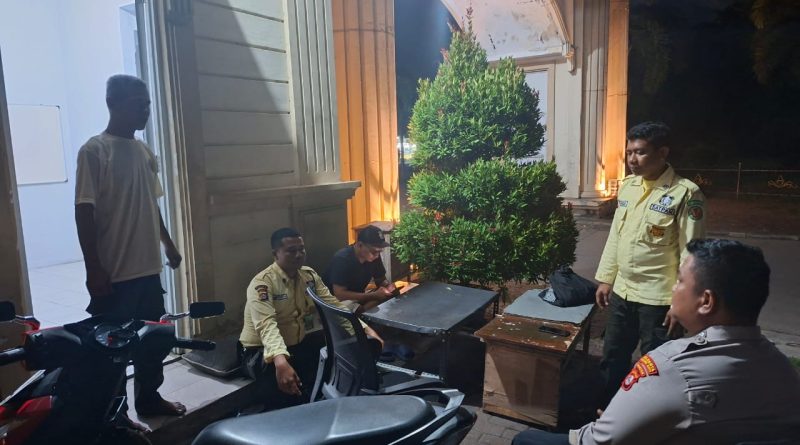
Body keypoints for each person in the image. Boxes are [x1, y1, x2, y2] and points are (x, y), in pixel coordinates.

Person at [514, 239, 800, 445]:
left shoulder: (672, 365)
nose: (673, 288)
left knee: (526, 439)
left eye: (680, 281)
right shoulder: (782, 368)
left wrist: (607, 423)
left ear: (706, 301)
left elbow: (601, 440)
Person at [74, 74, 185, 418]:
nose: (146, 110)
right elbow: (84, 211)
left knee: (154, 341)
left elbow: (151, 203)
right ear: (113, 104)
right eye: (139, 104)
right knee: (113, 351)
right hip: (115, 275)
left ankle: (149, 399)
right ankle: (115, 416)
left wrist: (168, 244)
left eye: (148, 104)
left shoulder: (143, 151)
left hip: (148, 270)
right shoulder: (95, 151)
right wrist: (93, 268)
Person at [594, 122, 706, 406]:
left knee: (656, 367)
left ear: (663, 152)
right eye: (629, 152)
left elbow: (691, 254)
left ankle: (648, 420)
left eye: (641, 152)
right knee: (612, 356)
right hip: (623, 293)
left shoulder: (685, 193)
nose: (632, 159)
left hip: (658, 300)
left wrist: (680, 304)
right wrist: (607, 278)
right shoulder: (628, 187)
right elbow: (616, 236)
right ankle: (607, 412)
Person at [239, 227, 384, 409]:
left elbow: (334, 306)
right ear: (275, 254)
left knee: (331, 362)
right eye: (291, 250)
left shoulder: (308, 276)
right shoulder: (262, 284)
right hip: (260, 352)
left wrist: (364, 330)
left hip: (295, 345)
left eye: (301, 249)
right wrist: (280, 361)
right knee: (286, 394)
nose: (298, 254)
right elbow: (267, 325)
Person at [324, 225, 396, 313]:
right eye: (374, 251)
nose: (377, 255)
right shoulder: (342, 259)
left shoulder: (374, 258)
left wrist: (387, 287)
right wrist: (374, 295)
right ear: (360, 245)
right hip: (335, 301)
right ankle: (362, 315)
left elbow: (380, 279)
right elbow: (340, 294)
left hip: (357, 297)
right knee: (358, 309)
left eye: (379, 251)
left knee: (389, 297)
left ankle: (364, 312)